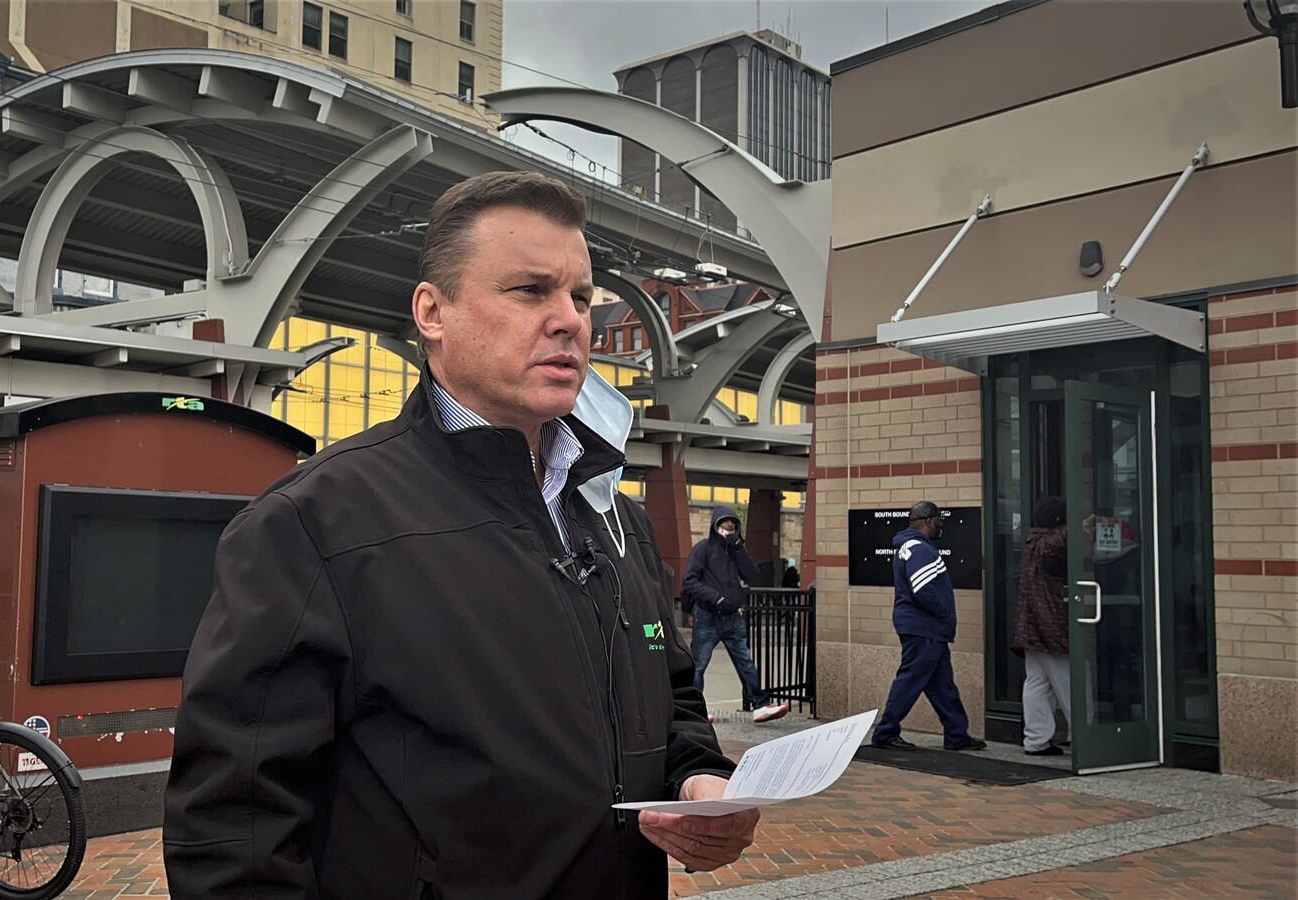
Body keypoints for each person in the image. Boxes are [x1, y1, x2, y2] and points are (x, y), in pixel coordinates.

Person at [165, 172, 756, 898]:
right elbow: (234, 827)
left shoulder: (615, 517)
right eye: (530, 291)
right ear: (432, 312)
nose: (570, 320)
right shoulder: (315, 522)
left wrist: (700, 777)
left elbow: (670, 696)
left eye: (579, 296)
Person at [869, 501, 987, 752]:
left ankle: (956, 734)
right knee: (910, 679)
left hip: (926, 627)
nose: (941, 526)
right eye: (938, 521)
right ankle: (886, 732)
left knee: (942, 683)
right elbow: (923, 589)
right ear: (927, 522)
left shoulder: (909, 547)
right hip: (924, 627)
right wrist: (943, 613)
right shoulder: (920, 549)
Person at [683, 507, 790, 725]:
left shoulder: (735, 550)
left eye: (732, 525)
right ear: (716, 526)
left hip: (732, 617)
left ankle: (760, 706)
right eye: (725, 525)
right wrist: (715, 598)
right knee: (699, 665)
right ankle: (696, 710)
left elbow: (752, 574)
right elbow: (689, 580)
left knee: (745, 662)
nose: (729, 528)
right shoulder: (703, 549)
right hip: (708, 616)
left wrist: (739, 547)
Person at [1014, 497, 1071, 756]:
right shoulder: (1049, 545)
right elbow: (1064, 539)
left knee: (1037, 683)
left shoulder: (1032, 542)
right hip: (1051, 627)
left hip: (1031, 628)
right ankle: (1085, 736)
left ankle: (1036, 740)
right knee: (1072, 682)